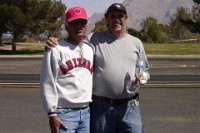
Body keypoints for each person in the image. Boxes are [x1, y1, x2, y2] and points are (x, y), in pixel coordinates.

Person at [46, 3, 150, 133]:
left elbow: (145, 71)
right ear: (107, 18)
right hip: (101, 107)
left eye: (120, 16)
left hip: (130, 106)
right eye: (112, 16)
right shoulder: (93, 39)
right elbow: (74, 41)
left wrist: (142, 77)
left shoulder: (136, 43)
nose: (116, 19)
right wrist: (54, 41)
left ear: (126, 19)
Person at [40, 6, 94, 133]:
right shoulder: (55, 49)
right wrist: (52, 114)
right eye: (74, 23)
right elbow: (47, 82)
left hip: (86, 112)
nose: (79, 26)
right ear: (66, 26)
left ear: (86, 26)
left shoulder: (90, 49)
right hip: (64, 113)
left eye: (82, 22)